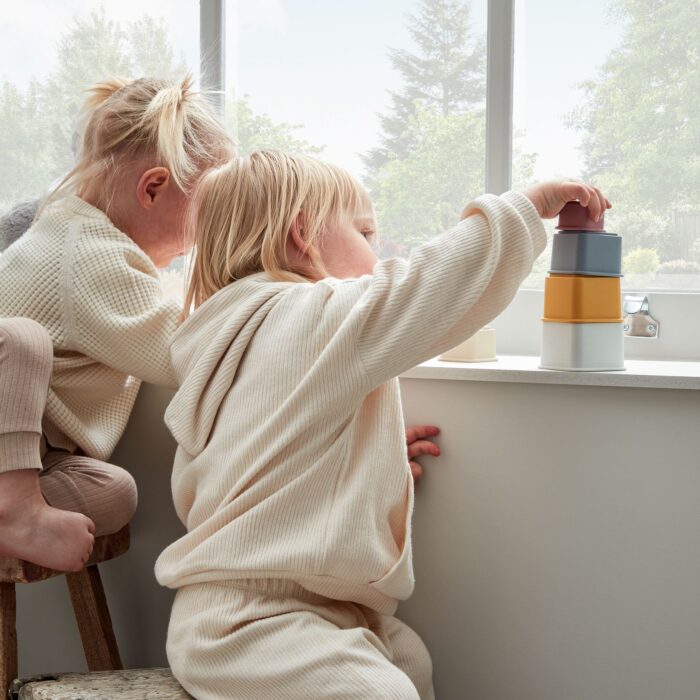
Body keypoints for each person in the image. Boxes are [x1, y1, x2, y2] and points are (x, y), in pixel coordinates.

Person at [154, 150, 611, 699]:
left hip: (286, 610)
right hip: (254, 623)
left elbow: (267, 446)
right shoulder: (312, 316)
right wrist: (525, 207)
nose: (377, 251)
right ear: (302, 234)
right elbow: (427, 288)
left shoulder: (237, 331)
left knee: (409, 660)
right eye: (366, 232)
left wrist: (364, 453)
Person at [0, 75, 233, 572]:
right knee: (18, 340)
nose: (202, 238)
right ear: (152, 188)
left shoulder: (71, 230)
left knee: (113, 492)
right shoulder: (86, 255)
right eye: (205, 215)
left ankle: (15, 513)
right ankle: (14, 512)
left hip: (28, 459)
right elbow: (202, 353)